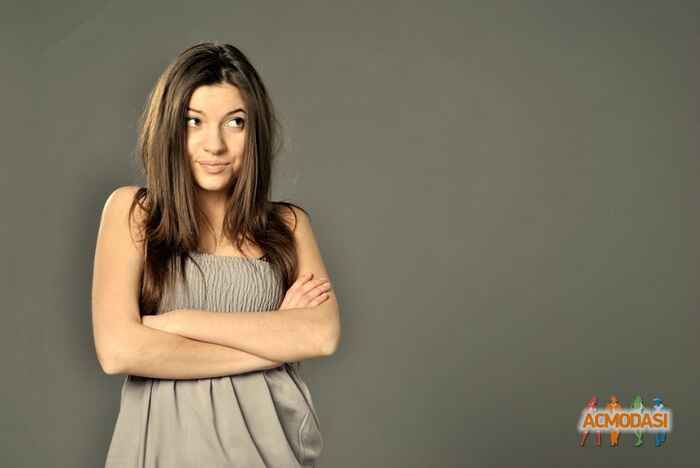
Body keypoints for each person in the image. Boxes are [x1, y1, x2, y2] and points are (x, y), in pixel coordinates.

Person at [91, 41, 341, 468]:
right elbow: (119, 350)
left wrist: (179, 323)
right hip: (163, 453)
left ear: (254, 131)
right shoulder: (134, 213)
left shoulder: (288, 226)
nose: (215, 145)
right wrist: (275, 343)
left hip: (271, 453)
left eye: (235, 122)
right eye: (194, 121)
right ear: (169, 128)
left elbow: (321, 336)